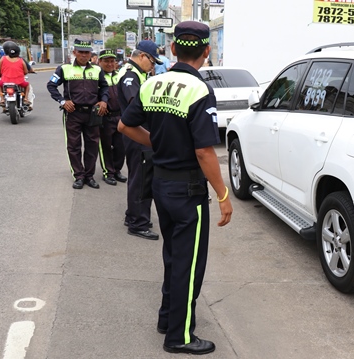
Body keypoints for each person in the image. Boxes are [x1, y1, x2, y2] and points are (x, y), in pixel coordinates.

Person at [118, 21, 232, 355]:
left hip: (162, 185)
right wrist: (224, 195)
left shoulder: (153, 83)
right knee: (189, 264)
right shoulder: (199, 90)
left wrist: (157, 144)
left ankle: (167, 318)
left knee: (173, 256)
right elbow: (204, 151)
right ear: (206, 51)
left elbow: (125, 125)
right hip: (188, 191)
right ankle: (179, 336)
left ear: (172, 50)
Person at [47, 39, 109, 189]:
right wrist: (62, 101)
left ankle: (89, 176)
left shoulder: (97, 70)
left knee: (92, 145)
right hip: (73, 113)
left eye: (86, 52)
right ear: (74, 52)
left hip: (92, 114)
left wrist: (104, 101)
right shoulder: (64, 69)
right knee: (74, 146)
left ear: (90, 54)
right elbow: (51, 85)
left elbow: (104, 87)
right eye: (80, 52)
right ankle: (79, 176)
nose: (83, 55)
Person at [116, 40, 163, 240]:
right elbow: (138, 104)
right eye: (152, 61)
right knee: (142, 180)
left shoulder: (137, 74)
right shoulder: (130, 76)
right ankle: (138, 223)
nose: (153, 66)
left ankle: (133, 215)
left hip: (137, 133)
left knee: (139, 176)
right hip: (138, 134)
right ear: (142, 56)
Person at [97, 49, 126, 186]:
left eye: (112, 61)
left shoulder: (119, 76)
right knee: (106, 147)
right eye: (106, 61)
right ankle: (108, 173)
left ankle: (117, 170)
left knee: (121, 146)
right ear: (100, 62)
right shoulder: (97, 77)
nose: (109, 64)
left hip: (120, 116)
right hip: (105, 118)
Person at [0, 42, 32, 109]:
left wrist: (0, 75)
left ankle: (2, 99)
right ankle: (26, 98)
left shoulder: (2, 59)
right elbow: (26, 71)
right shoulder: (21, 60)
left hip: (5, 81)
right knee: (27, 85)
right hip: (19, 82)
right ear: (18, 53)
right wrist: (22, 74)